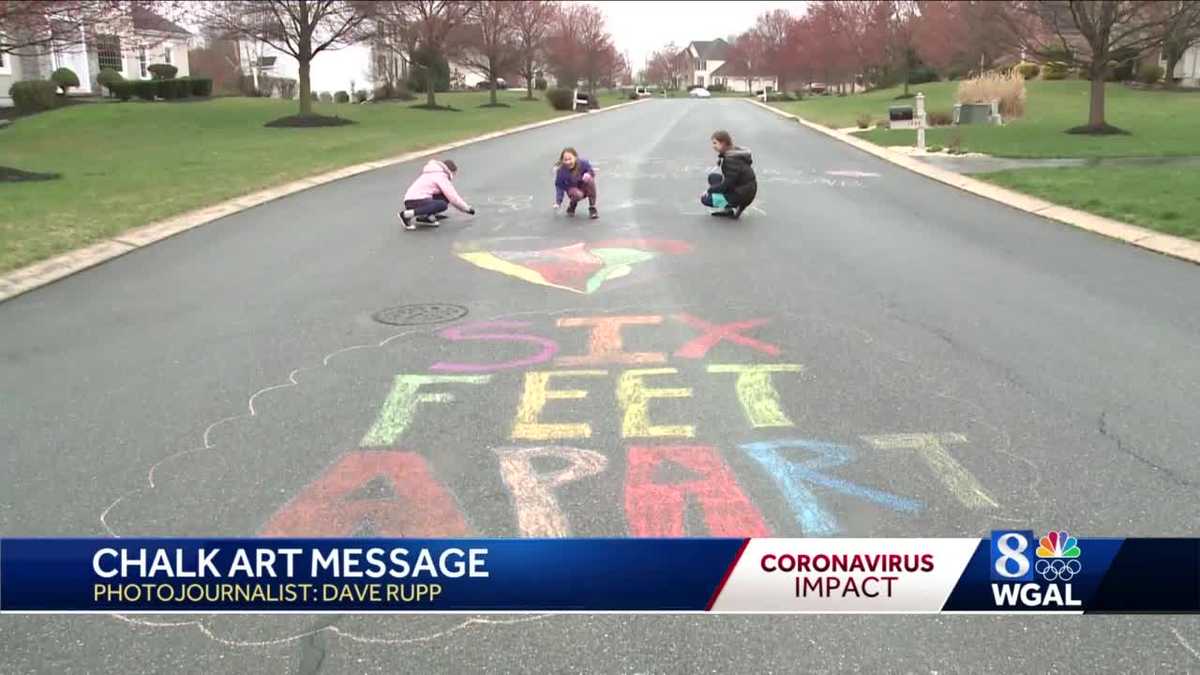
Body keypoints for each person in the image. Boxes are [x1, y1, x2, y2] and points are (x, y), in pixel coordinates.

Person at [398, 159, 475, 231]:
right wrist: (467, 209)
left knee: (444, 196)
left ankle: (425, 217)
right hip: (415, 201)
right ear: (450, 171)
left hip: (412, 200)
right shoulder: (441, 176)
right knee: (442, 204)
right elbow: (453, 198)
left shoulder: (433, 172)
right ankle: (405, 215)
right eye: (454, 174)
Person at [702, 130, 756, 218]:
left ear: (723, 143)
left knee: (705, 199)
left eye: (715, 143)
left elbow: (727, 184)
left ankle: (734, 205)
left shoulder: (731, 160)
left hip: (742, 194)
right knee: (713, 177)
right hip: (743, 188)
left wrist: (709, 190)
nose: (713, 146)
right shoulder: (732, 153)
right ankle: (728, 210)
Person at [553, 147, 598, 219]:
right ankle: (572, 205)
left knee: (590, 179)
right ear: (562, 160)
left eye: (570, 159)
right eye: (565, 160)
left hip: (585, 187)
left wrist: (589, 174)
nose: (568, 162)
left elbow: (592, 172)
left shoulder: (583, 163)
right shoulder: (561, 171)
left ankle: (592, 208)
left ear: (575, 157)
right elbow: (559, 186)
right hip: (573, 189)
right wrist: (558, 202)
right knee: (577, 194)